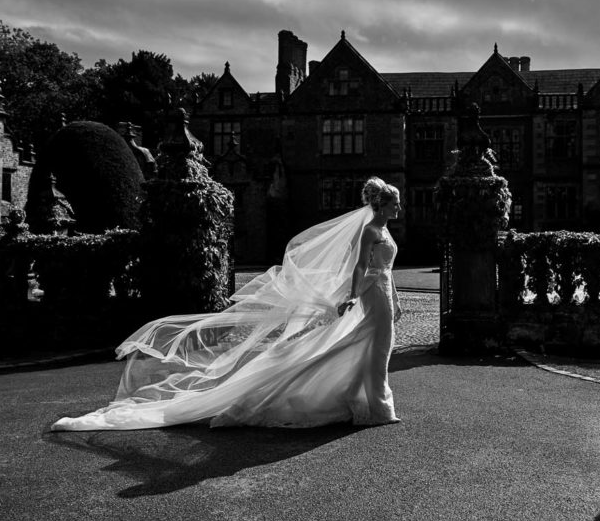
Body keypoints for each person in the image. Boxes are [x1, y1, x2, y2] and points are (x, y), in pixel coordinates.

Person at [51, 177, 403, 431]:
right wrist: (353, 296)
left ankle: (364, 400)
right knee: (370, 346)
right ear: (382, 204)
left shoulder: (384, 231)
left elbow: (386, 270)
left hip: (383, 293)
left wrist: (396, 298)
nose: (398, 207)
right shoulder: (369, 231)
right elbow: (360, 267)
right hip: (371, 295)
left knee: (373, 347)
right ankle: (376, 406)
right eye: (395, 202)